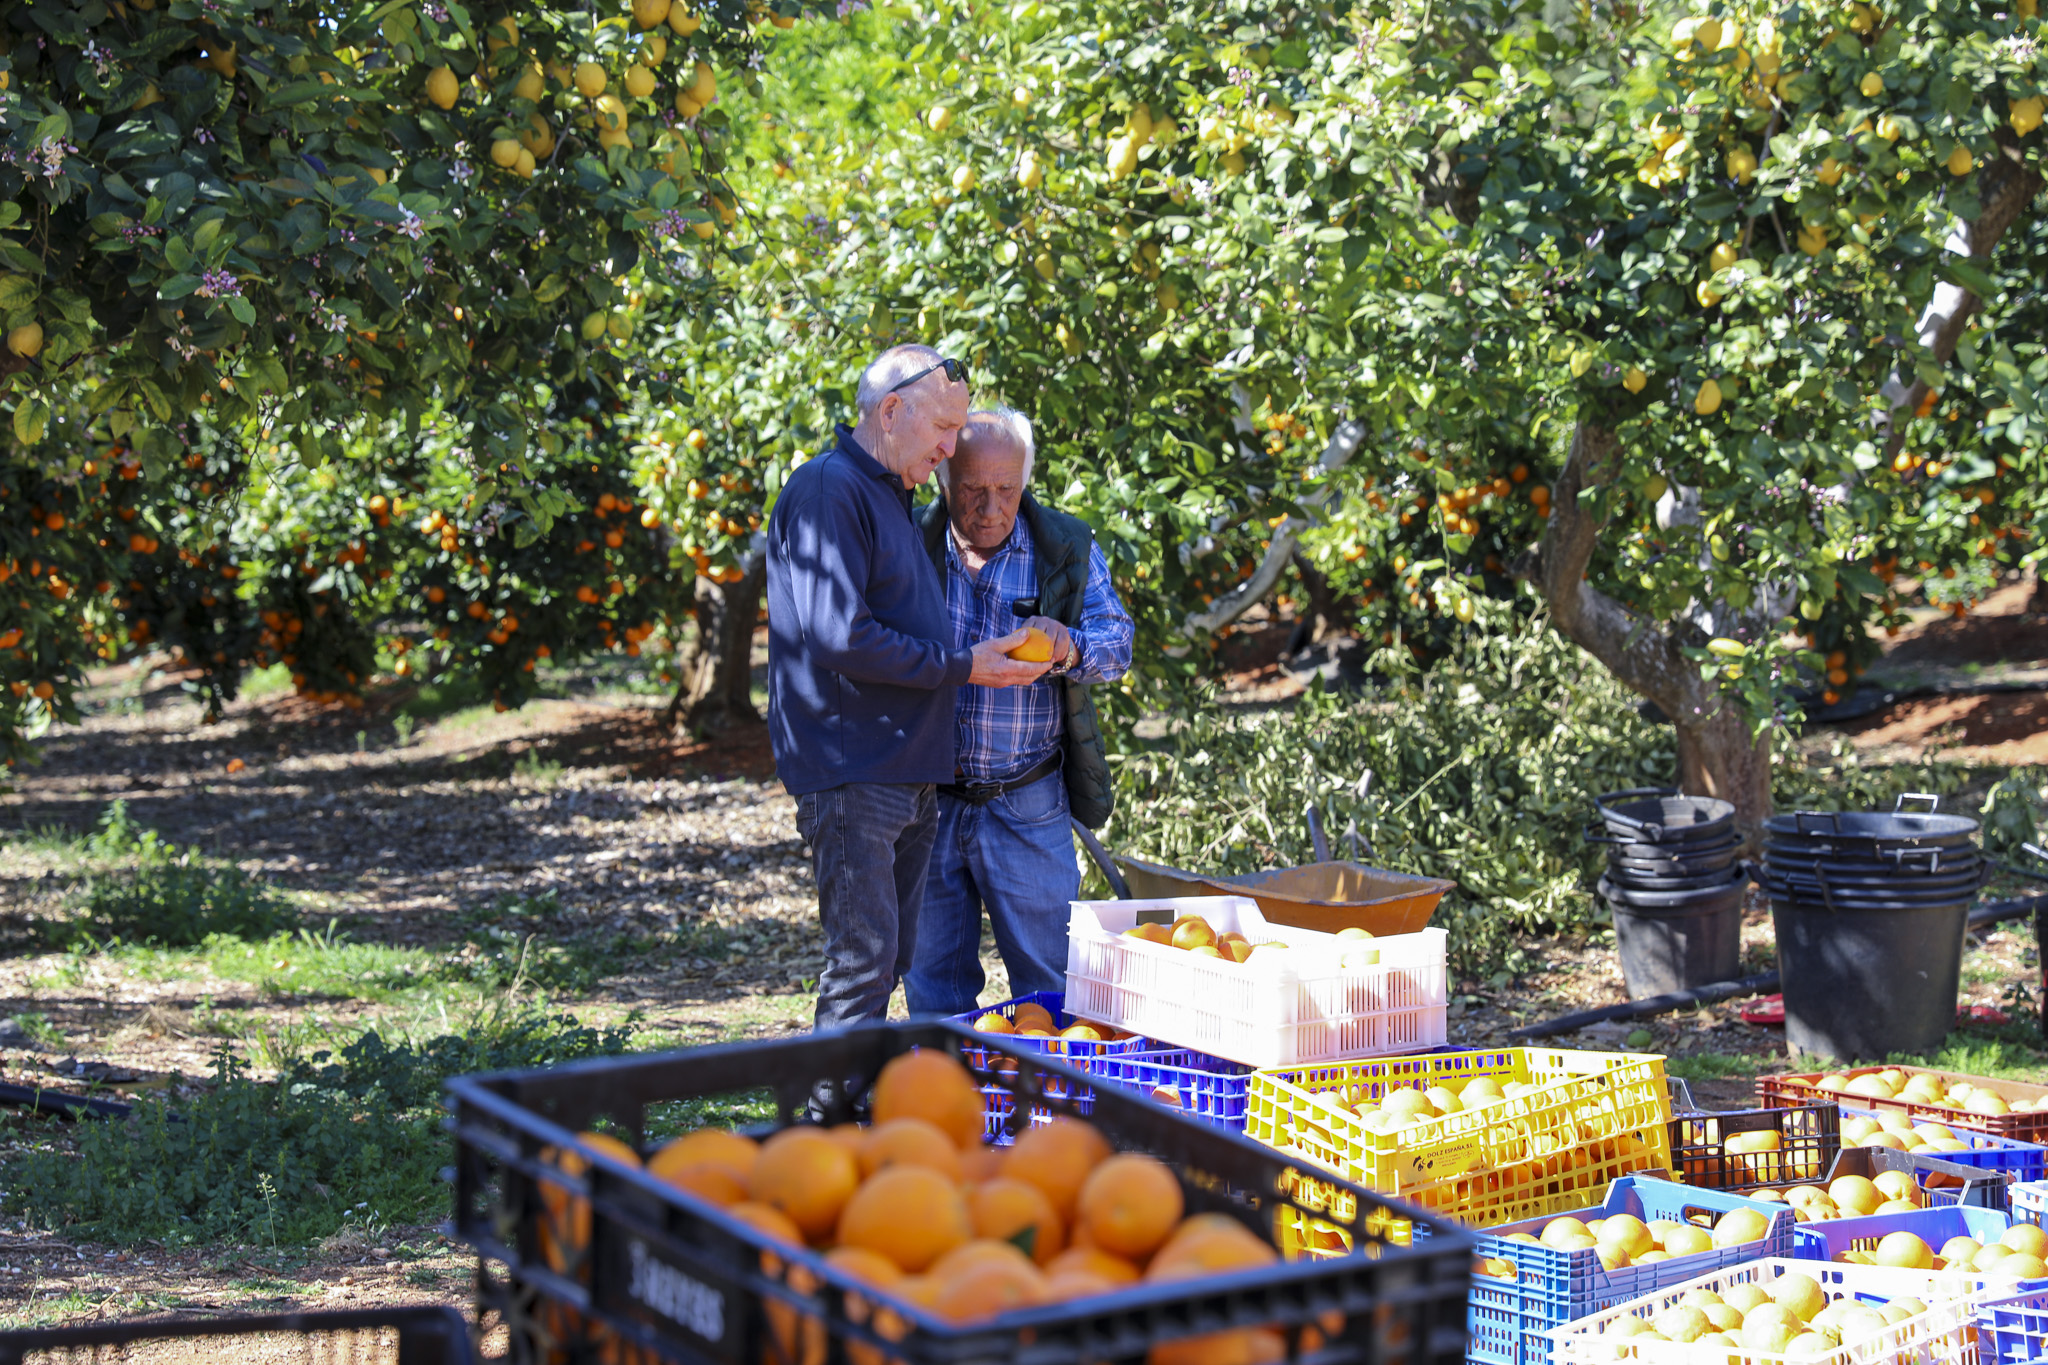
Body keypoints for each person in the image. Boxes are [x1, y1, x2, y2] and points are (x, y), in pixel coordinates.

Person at [765, 345, 1050, 1031]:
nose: (952, 448)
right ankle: (821, 1127)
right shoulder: (831, 489)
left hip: (904, 773)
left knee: (887, 962)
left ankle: (849, 1114)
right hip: (855, 771)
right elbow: (840, 635)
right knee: (863, 960)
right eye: (943, 429)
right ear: (891, 412)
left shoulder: (890, 495)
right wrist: (962, 665)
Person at [905, 406, 1135, 1016]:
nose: (990, 508)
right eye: (972, 490)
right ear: (943, 481)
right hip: (930, 801)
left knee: (1053, 987)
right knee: (934, 990)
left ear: (1025, 483)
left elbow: (1117, 646)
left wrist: (1069, 646)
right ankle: (944, 1107)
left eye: (1006, 490)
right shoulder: (909, 544)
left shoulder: (1065, 547)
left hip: (1027, 802)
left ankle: (1053, 1108)